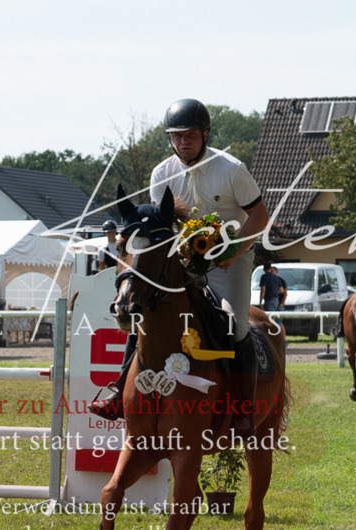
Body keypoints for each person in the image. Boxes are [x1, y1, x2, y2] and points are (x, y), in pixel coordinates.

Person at [90, 98, 270, 438]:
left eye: (190, 135)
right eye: (176, 136)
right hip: (185, 258)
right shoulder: (162, 173)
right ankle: (118, 390)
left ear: (205, 134)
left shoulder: (231, 168)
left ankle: (244, 410)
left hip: (231, 259)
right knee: (144, 312)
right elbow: (163, 226)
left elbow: (259, 216)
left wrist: (234, 248)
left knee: (234, 325)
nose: (183, 142)